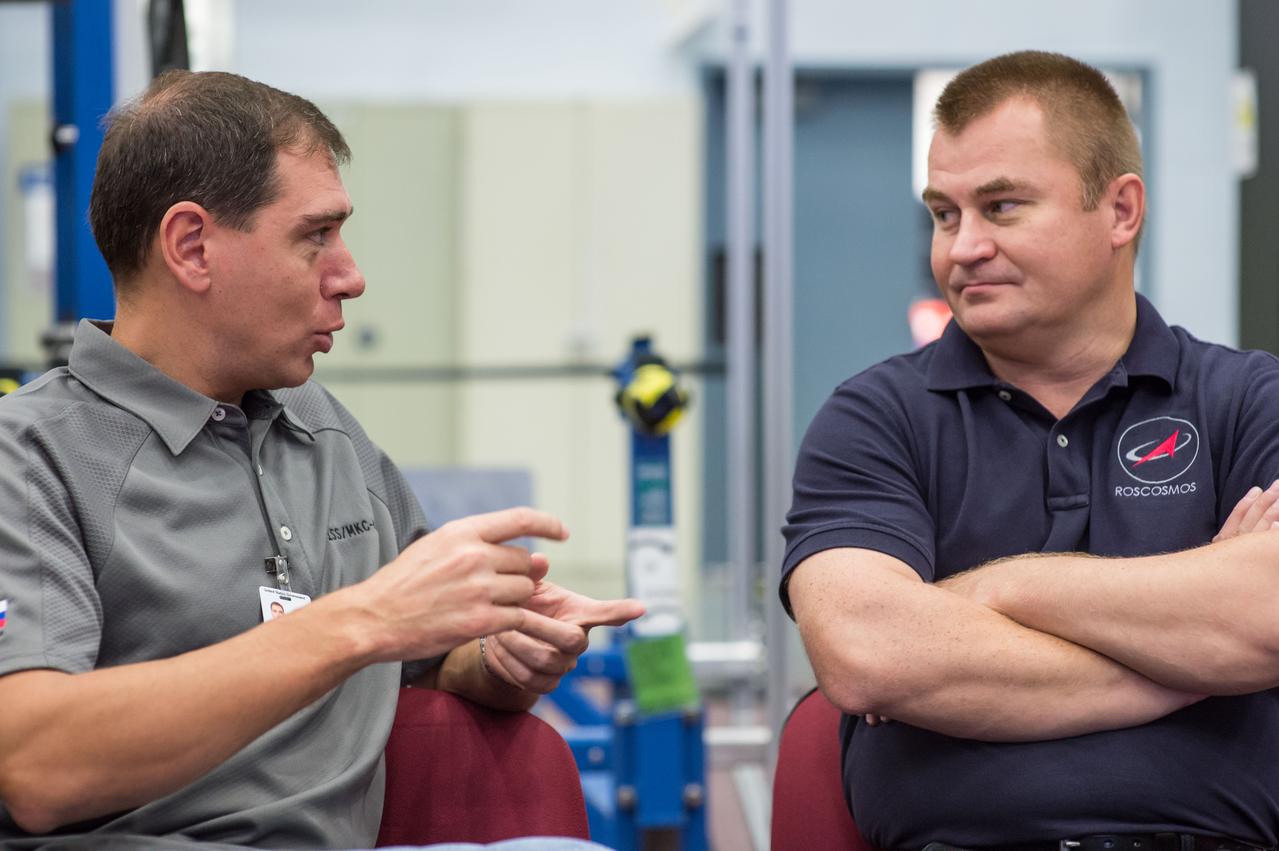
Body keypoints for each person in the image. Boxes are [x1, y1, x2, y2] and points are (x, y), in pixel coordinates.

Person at [0, 70, 643, 849]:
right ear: (191, 247)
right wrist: (360, 620)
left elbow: (426, 654)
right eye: (315, 236)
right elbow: (32, 764)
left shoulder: (317, 424)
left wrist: (498, 656)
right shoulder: (30, 456)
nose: (351, 276)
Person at [783, 50, 1279, 850]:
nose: (961, 248)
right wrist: (1190, 666)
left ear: (1119, 211)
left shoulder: (1250, 400)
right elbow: (866, 651)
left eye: (1001, 206)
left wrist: (987, 590)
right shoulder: (873, 418)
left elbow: (1266, 616)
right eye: (944, 215)